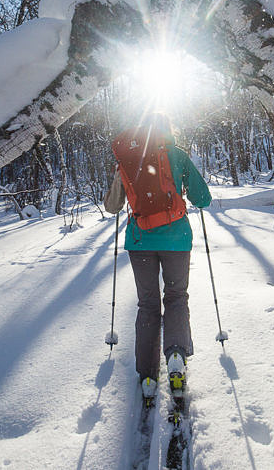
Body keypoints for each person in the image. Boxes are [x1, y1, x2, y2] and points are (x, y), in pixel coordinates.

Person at [103, 115, 212, 401]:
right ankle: (176, 354)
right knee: (176, 296)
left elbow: (113, 206)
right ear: (169, 129)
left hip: (140, 242)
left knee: (148, 304)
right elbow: (203, 198)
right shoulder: (177, 155)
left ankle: (148, 373)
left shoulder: (129, 158)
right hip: (177, 240)